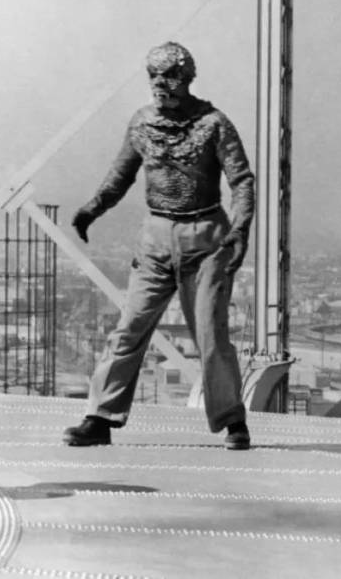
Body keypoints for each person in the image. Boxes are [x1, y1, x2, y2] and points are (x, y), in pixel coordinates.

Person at [65, 42, 254, 450]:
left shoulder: (213, 124)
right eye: (153, 75)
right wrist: (93, 208)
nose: (160, 83)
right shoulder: (141, 123)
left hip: (206, 238)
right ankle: (100, 416)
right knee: (130, 327)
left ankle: (232, 420)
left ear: (187, 78)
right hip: (155, 238)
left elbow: (241, 180)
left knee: (210, 333)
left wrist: (241, 229)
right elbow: (121, 175)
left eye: (169, 75)